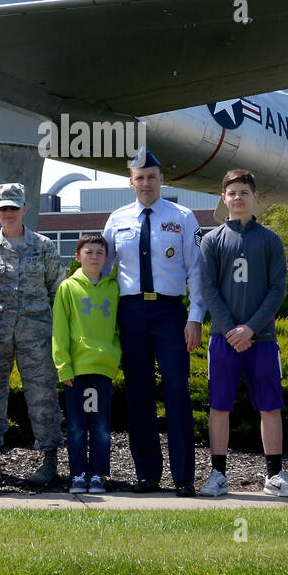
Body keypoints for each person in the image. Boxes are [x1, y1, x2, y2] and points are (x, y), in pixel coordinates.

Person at [102, 147, 206, 496]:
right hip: (131, 313)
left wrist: (194, 318)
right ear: (131, 182)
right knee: (139, 395)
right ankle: (146, 474)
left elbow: (196, 271)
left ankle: (183, 477)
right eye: (140, 178)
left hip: (170, 313)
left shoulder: (183, 216)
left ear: (162, 180)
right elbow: (102, 270)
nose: (146, 183)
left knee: (177, 391)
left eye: (151, 177)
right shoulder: (117, 219)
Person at [197, 170, 288, 498]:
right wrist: (231, 329)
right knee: (219, 406)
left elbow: (277, 289)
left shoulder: (269, 240)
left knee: (270, 406)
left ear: (255, 197)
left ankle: (274, 476)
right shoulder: (212, 240)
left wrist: (250, 328)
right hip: (223, 339)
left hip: (263, 339)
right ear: (223, 198)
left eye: (244, 192)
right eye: (232, 193)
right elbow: (209, 289)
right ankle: (218, 475)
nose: (238, 197)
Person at [0, 183, 65, 487]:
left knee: (42, 396)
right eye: (3, 208)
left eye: (13, 208)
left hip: (37, 334)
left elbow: (58, 289)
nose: (8, 213)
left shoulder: (43, 246)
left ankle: (49, 459)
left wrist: (60, 334)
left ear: (24, 210)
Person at [51, 233, 120, 495]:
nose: (94, 257)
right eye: (88, 252)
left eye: (99, 253)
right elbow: (59, 330)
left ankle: (98, 475)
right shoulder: (68, 288)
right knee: (77, 427)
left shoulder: (113, 288)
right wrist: (63, 366)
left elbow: (116, 328)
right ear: (78, 256)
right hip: (76, 371)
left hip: (102, 368)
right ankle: (78, 474)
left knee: (101, 428)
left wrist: (114, 355)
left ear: (106, 258)